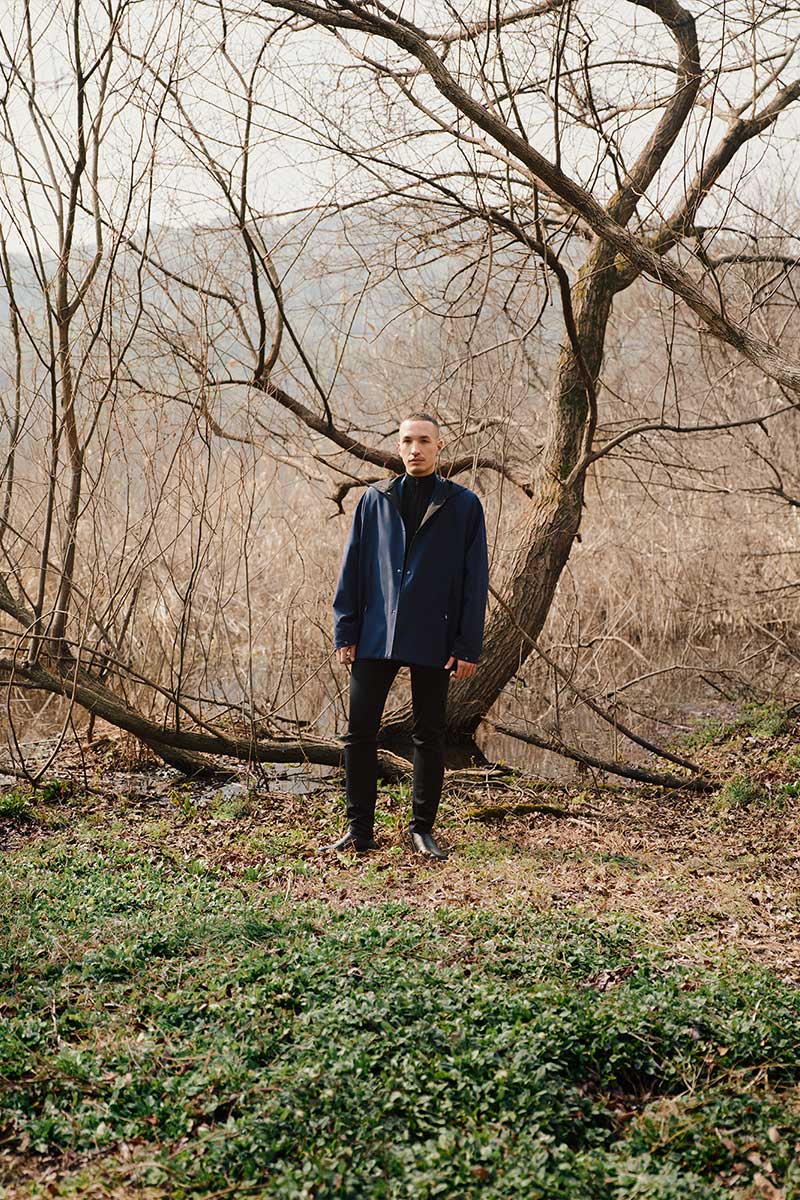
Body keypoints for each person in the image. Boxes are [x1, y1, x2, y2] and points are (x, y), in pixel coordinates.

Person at [321, 413, 489, 860]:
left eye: (424, 441)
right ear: (398, 448)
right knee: (359, 734)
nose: (415, 449)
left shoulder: (464, 506)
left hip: (434, 634)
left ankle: (422, 830)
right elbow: (352, 569)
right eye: (407, 441)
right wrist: (346, 630)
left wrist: (467, 644)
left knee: (429, 734)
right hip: (376, 631)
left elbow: (475, 581)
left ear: (439, 447)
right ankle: (359, 830)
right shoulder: (374, 500)